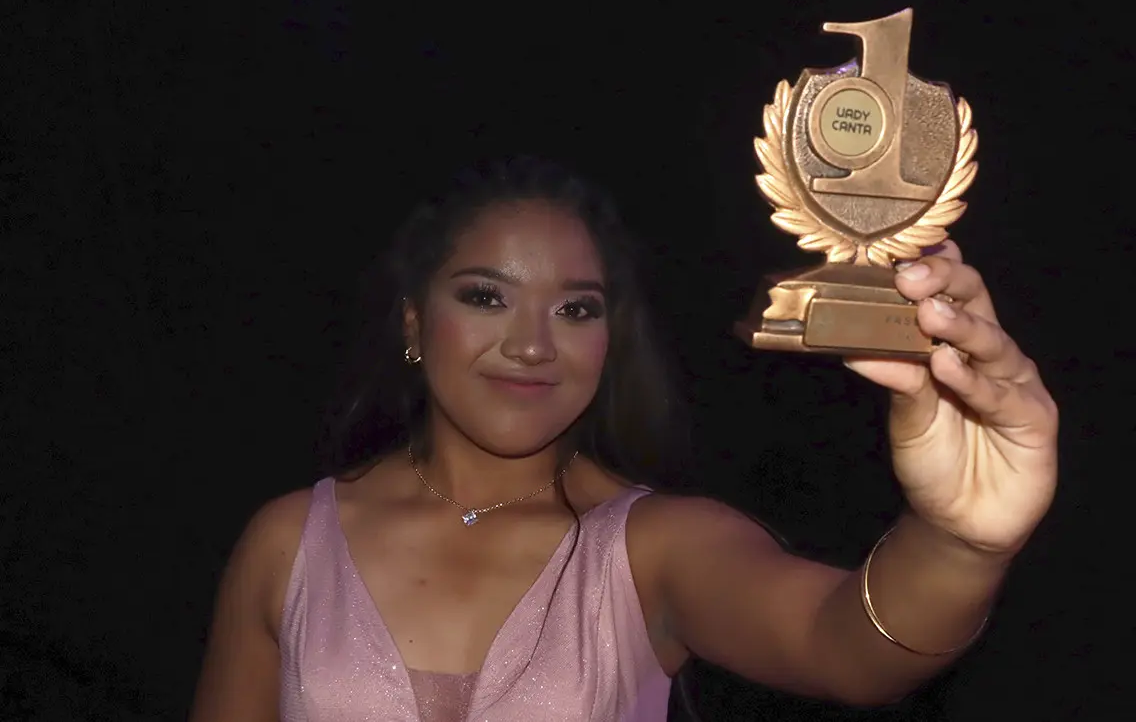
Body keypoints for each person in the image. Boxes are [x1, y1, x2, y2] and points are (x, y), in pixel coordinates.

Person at [189, 156, 1058, 721]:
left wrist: (959, 543)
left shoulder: (654, 549)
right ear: (416, 322)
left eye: (575, 309)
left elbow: (849, 648)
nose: (532, 343)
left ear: (609, 342)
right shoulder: (288, 543)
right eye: (486, 296)